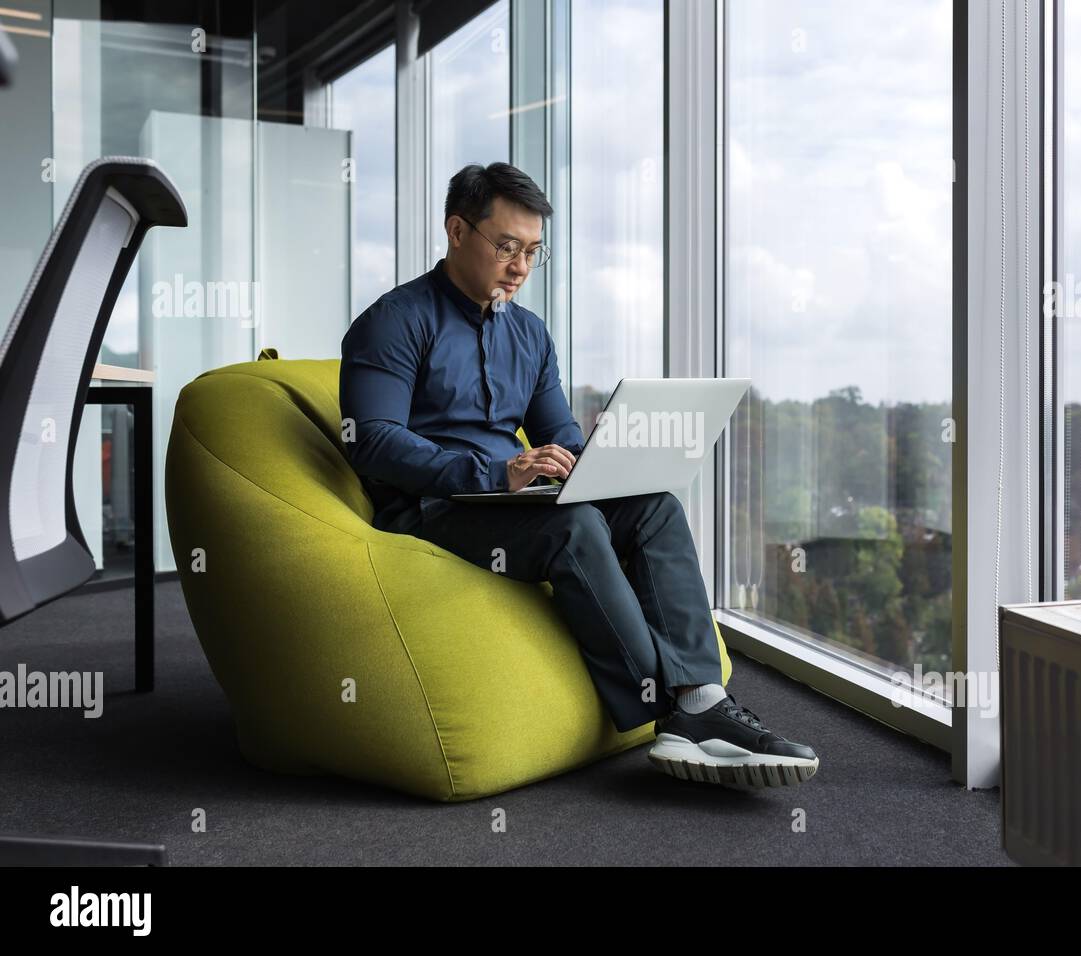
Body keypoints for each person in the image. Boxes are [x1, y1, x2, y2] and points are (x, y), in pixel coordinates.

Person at [339, 161, 818, 788]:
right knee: (574, 524)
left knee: (655, 506)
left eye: (532, 252)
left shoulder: (530, 336)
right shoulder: (394, 321)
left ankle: (703, 700)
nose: (519, 268)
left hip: (514, 500)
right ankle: (672, 712)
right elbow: (369, 442)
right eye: (506, 246)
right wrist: (495, 472)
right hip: (433, 508)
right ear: (456, 231)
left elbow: (558, 432)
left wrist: (604, 462)